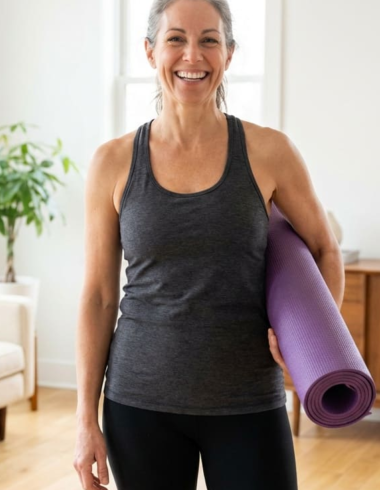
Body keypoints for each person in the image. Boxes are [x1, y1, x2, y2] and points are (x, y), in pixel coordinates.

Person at [73, 0, 344, 488]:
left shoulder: (269, 152)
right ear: (150, 51)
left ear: (230, 54)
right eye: (175, 38)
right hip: (139, 402)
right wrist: (83, 419)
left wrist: (313, 343)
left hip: (247, 400)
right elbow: (97, 297)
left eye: (209, 40)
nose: (191, 55)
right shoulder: (112, 162)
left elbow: (325, 248)